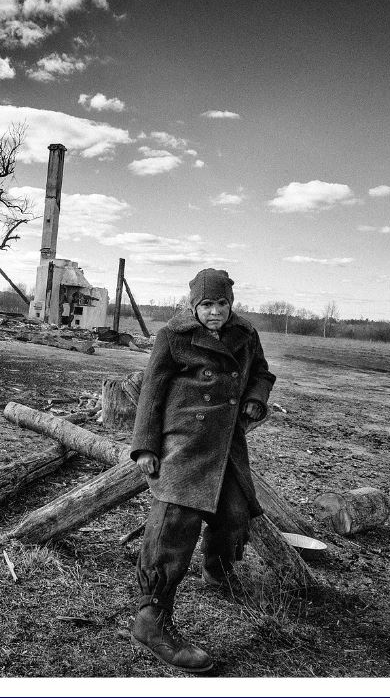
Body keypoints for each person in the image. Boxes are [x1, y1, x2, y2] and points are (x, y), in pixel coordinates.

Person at [127, 267, 275, 672]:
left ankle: (217, 570)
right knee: (173, 526)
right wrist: (145, 446)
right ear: (193, 305)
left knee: (235, 512)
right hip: (184, 443)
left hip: (226, 444)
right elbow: (151, 391)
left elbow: (262, 372)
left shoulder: (245, 334)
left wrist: (256, 397)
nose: (215, 312)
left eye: (221, 304)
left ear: (231, 304)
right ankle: (151, 620)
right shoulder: (173, 336)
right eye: (206, 304)